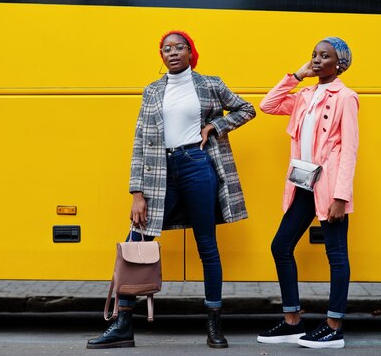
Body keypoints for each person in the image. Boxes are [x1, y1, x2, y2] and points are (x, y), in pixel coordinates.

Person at [86, 30, 256, 349]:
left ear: (192, 53)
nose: (173, 52)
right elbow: (140, 140)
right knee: (136, 240)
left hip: (196, 163)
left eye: (180, 47)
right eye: (166, 49)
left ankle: (214, 326)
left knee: (207, 244)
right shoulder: (152, 91)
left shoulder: (210, 84)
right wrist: (137, 192)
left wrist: (215, 126)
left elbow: (246, 109)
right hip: (159, 171)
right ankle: (123, 325)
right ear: (161, 56)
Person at [256, 37, 358, 349]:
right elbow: (268, 105)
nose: (316, 59)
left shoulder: (346, 97)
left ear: (338, 64)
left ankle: (333, 325)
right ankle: (292, 321)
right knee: (281, 246)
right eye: (313, 54)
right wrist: (298, 74)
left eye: (323, 56)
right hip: (302, 183)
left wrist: (341, 196)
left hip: (329, 188)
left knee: (336, 253)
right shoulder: (305, 95)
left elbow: (350, 150)